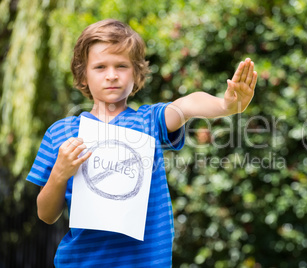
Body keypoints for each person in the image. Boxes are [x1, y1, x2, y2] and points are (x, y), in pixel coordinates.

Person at [26, 18, 257, 267]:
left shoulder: (149, 122)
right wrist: (60, 174)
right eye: (100, 67)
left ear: (136, 73)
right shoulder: (60, 134)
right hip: (81, 262)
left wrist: (226, 106)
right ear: (83, 74)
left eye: (122, 66)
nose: (112, 75)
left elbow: (187, 104)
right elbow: (46, 215)